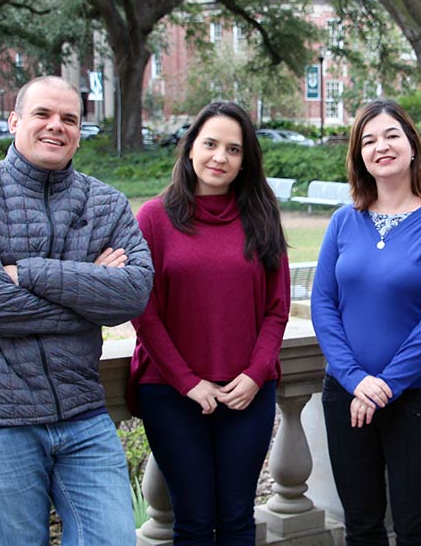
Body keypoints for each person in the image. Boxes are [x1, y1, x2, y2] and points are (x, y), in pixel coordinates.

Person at [0, 76, 154, 545]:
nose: (56, 126)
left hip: (82, 410)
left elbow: (133, 294)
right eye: (43, 115)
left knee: (112, 539)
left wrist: (28, 272)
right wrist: (88, 291)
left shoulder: (106, 203)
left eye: (69, 118)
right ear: (14, 122)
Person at [128, 101, 290, 546]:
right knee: (194, 521)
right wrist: (187, 382)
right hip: (172, 393)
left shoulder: (261, 216)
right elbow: (144, 311)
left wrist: (255, 375)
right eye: (211, 144)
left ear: (245, 161)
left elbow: (277, 309)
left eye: (234, 149)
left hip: (248, 394)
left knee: (238, 517)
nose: (220, 157)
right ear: (190, 149)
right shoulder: (154, 219)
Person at [311, 100, 421, 546]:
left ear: (413, 146)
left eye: (391, 135)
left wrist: (386, 385)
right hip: (346, 395)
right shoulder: (343, 221)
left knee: (415, 528)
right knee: (360, 525)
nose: (381, 146)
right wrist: (356, 379)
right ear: (359, 156)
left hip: (416, 397)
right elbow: (323, 305)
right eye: (369, 140)